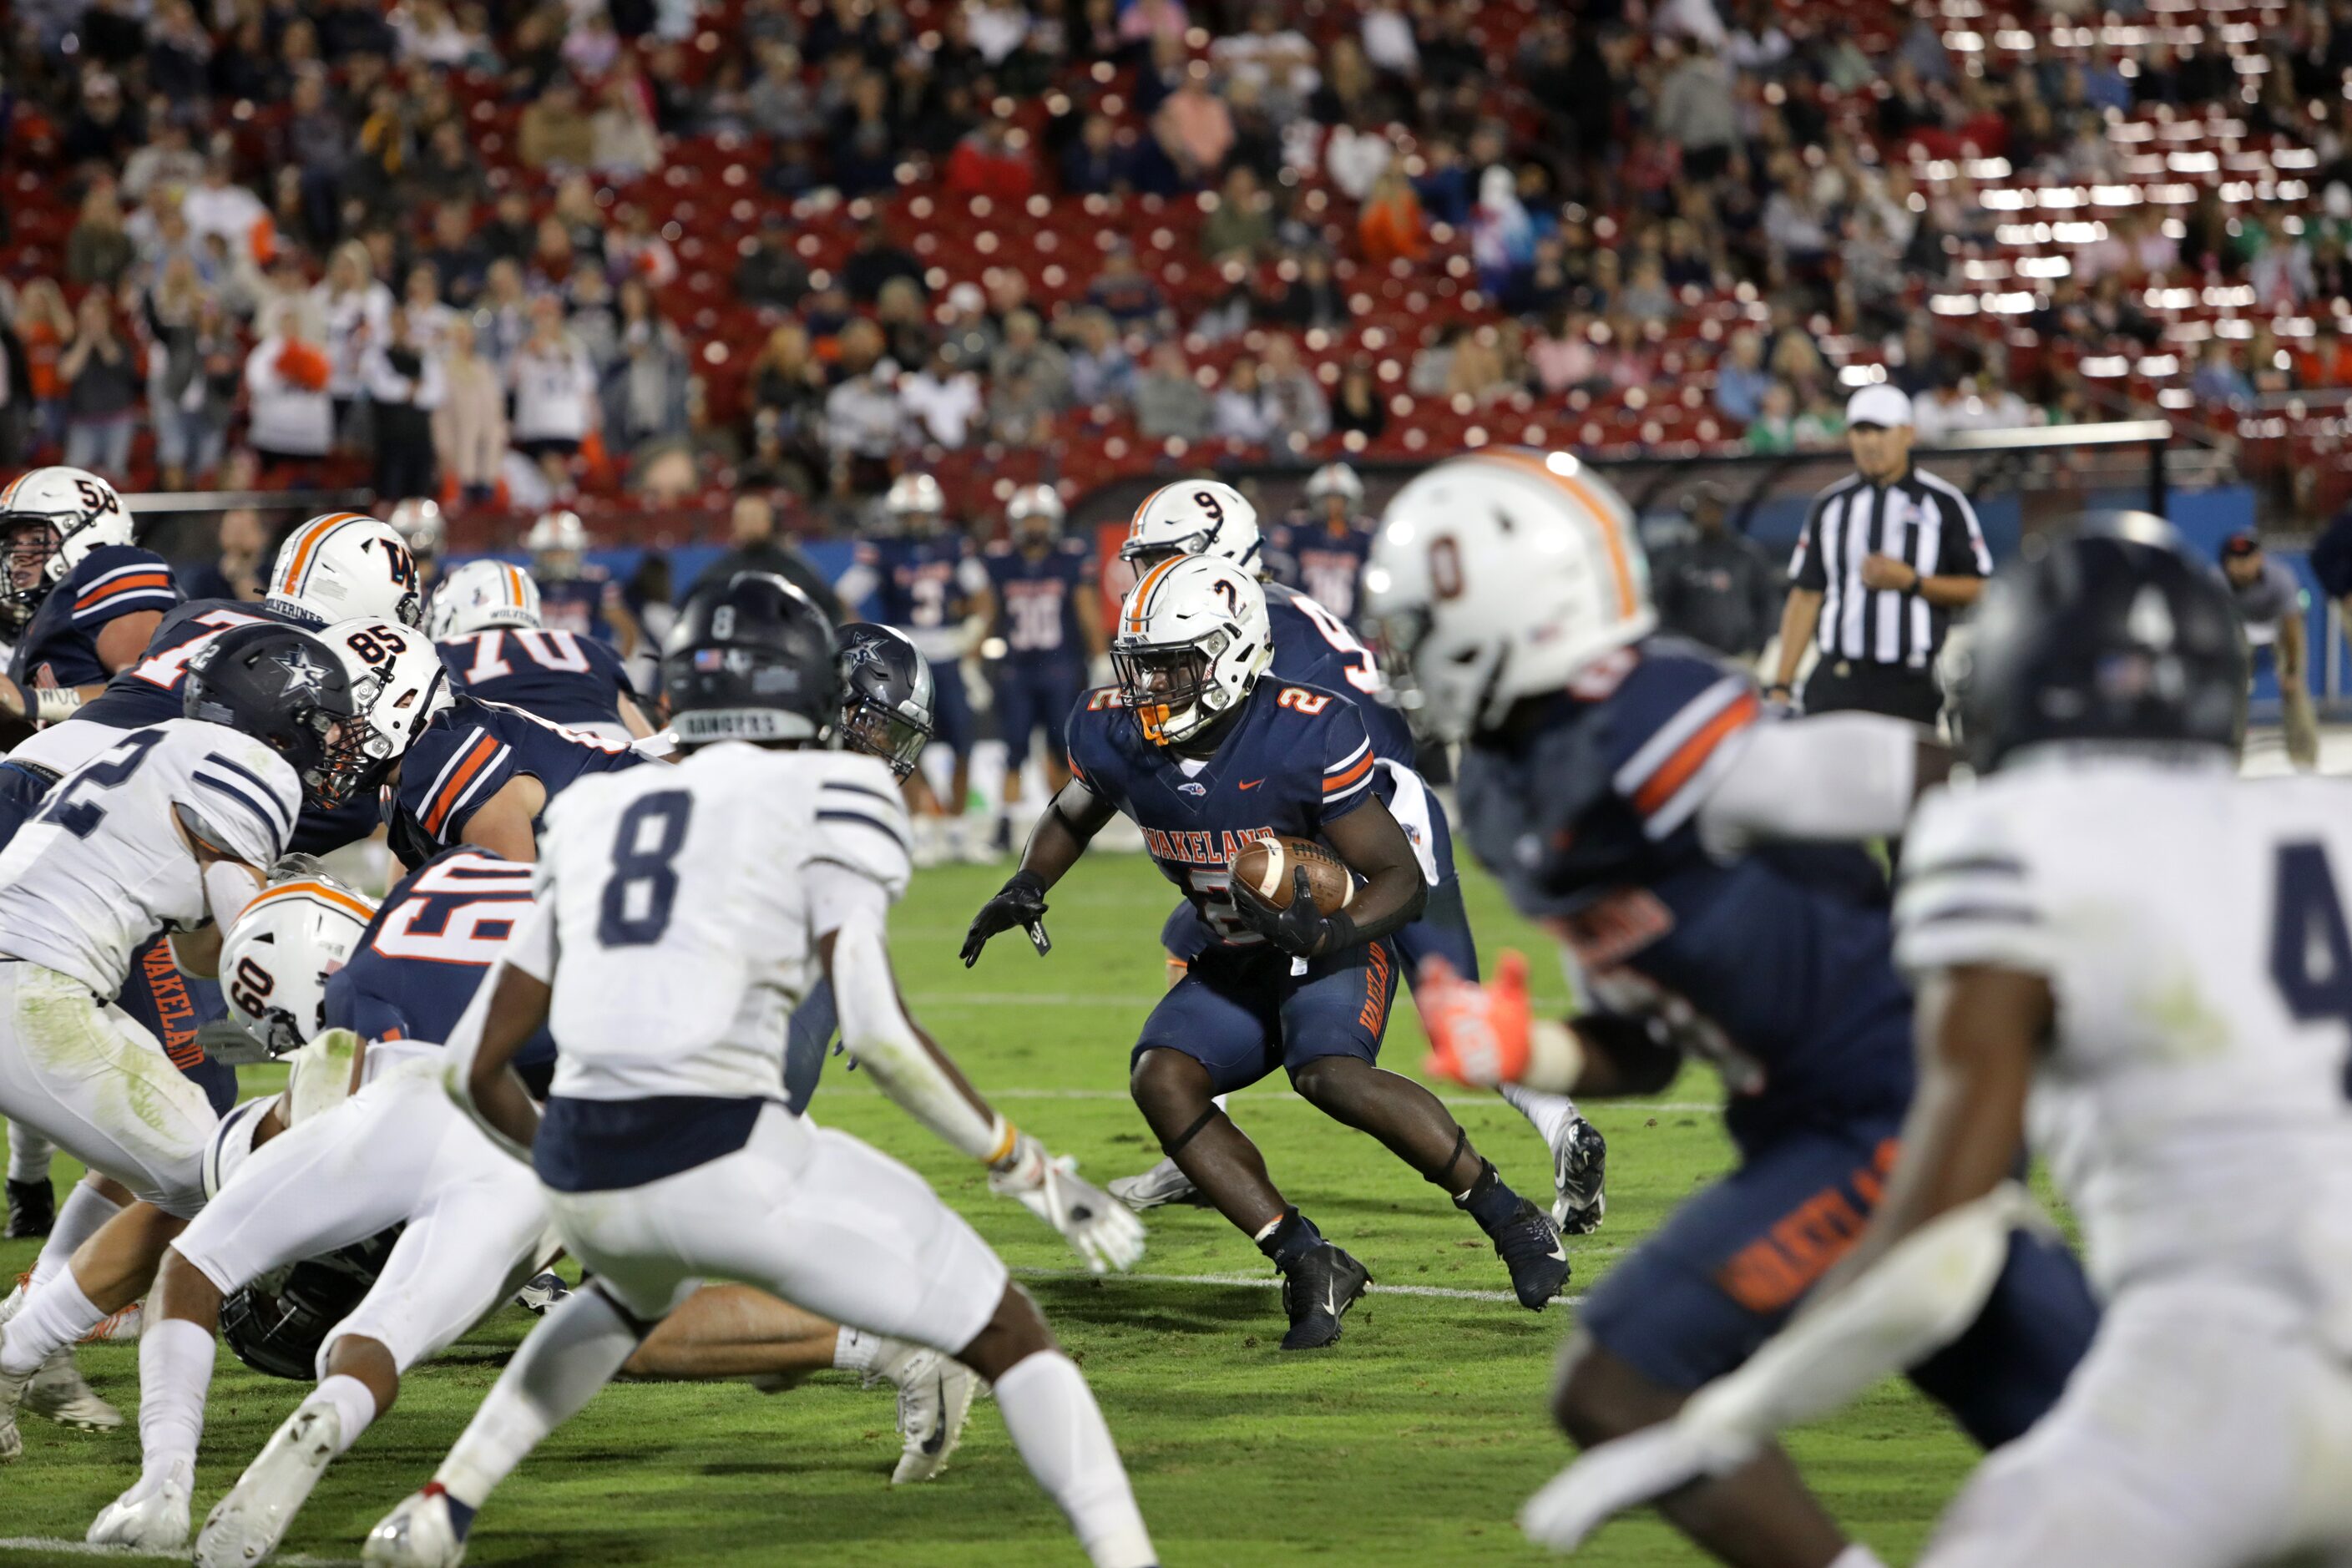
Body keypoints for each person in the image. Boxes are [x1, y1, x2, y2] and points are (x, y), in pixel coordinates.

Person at [1514, 518, 2352, 1568]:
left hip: (2216, 1398)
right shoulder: (2332, 819)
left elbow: (1934, 1238)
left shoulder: (2011, 837)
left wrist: (1719, 1423)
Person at [1365, 449, 2097, 1568]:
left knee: (1619, 1378)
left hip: (1895, 1110)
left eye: (1421, 622)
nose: (1403, 653)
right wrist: (1529, 1048)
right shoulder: (1517, 781)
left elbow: (1929, 777)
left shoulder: (1642, 721)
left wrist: (2018, 974)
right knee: (2098, 1437)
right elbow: (1647, 1047)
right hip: (1806, 1123)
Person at [363, 574, 1155, 1568]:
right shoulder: (832, 799)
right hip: (710, 1135)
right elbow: (880, 1035)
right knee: (1005, 1326)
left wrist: (546, 1166)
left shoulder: (605, 799)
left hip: (568, 1137)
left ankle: (442, 1504)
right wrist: (1025, 1166)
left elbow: (479, 1053)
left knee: (615, 1302)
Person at [964, 554, 1571, 1349]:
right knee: (1164, 1078)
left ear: (1230, 655)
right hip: (1234, 946)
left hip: (1329, 937)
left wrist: (1331, 933)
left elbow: (1398, 878)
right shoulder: (1114, 728)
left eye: (1171, 667)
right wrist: (1029, 881)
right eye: (1141, 668)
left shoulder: (1302, 729)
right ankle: (1305, 1257)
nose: (1149, 689)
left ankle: (1508, 1216)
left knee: (1328, 1073)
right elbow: (1077, 806)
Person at [1099, 480, 1605, 1226]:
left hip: (1361, 819)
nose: (1148, 575)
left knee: (1429, 1004)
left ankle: (1198, 1144)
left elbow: (1286, 761)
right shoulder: (1280, 608)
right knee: (1201, 936)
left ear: (1214, 554)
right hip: (1369, 803)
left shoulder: (1241, 623)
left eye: (1166, 556)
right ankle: (1563, 1126)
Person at [0, 622, 372, 1464]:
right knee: (219, 1183)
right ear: (278, 720)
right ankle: (21, 1355)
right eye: (321, 724)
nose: (331, 746)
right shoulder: (258, 768)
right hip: (30, 985)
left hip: (34, 974)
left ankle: (35, 1343)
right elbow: (251, 949)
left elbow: (195, 947)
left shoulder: (162, 740)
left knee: (191, 1174)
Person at [1770, 385, 1990, 725]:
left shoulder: (1943, 503)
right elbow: (1806, 595)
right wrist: (1782, 683)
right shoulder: (1829, 505)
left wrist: (1913, 582)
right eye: (1861, 431)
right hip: (1836, 680)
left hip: (1909, 683)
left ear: (1908, 434)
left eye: (1881, 430)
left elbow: (1980, 589)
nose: (1870, 442)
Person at [835, 474, 996, 864]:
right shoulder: (883, 550)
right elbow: (844, 595)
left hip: (950, 654)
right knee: (904, 746)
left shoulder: (953, 545)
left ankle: (958, 830)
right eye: (908, 515)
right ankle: (922, 826)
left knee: (964, 744)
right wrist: (869, 642)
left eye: (921, 513)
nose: (916, 522)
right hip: (904, 659)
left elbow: (984, 597)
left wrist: (972, 641)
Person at [0, 467, 183, 731]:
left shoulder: (105, 566)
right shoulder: (33, 627)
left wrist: (31, 701)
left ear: (89, 531)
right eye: (11, 543)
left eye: (35, 537)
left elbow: (155, 687)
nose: (16, 555)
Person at [981, 486, 1104, 852]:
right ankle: (1003, 829)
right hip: (1017, 670)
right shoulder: (1002, 562)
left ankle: (1072, 826)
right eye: (1028, 519)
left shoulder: (1070, 559)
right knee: (1013, 751)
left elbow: (1086, 611)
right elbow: (989, 614)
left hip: (1059, 668)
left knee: (1061, 753)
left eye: (1041, 519)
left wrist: (1099, 657)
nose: (1035, 527)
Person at [428, 558, 654, 745]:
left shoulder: (442, 654)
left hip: (517, 761)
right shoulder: (590, 647)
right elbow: (650, 744)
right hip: (612, 753)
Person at [1650, 483, 1786, 661]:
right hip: (1691, 659)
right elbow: (1659, 605)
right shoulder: (1674, 556)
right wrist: (1673, 646)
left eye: (1715, 508)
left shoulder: (1745, 554)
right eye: (1704, 509)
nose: (1710, 514)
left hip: (1740, 654)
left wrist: (1759, 644)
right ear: (1691, 514)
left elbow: (1769, 602)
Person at [2220, 531, 2319, 770]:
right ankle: (2228, 760)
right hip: (2239, 630)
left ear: (2260, 559)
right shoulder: (2216, 582)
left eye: (2248, 559)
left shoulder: (2280, 578)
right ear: (2226, 563)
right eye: (2236, 560)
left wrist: (2292, 671)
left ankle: (2304, 761)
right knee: (2233, 692)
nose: (2242, 566)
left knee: (2295, 690)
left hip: (2278, 628)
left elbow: (2292, 627)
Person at [688, 493, 842, 623]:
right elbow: (693, 608)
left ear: (769, 522)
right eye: (745, 517)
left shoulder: (793, 566)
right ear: (734, 524)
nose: (751, 523)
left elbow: (828, 608)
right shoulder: (719, 570)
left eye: (756, 517)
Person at [1266, 463, 1374, 626]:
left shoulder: (1362, 536)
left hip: (1351, 622)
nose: (1334, 506)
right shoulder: (1298, 532)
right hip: (1305, 622)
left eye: (1339, 499)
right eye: (1328, 499)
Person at [524, 508, 640, 655]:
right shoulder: (525, 581)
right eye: (551, 553)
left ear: (577, 551)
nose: (557, 559)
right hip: (536, 664)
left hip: (584, 667)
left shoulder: (597, 581)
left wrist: (617, 665)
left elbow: (627, 630)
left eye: (563, 552)